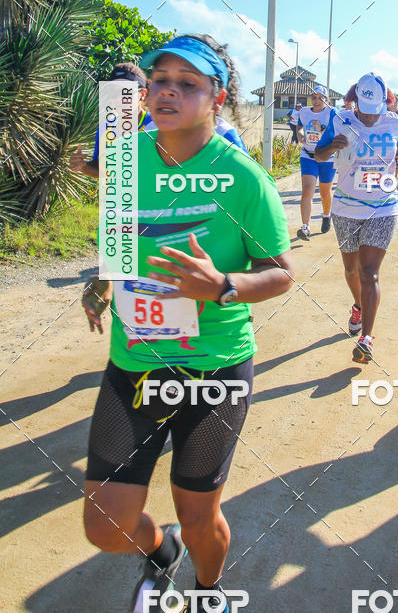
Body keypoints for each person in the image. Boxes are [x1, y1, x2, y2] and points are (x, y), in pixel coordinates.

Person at [81, 34, 294, 612]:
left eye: (187, 83)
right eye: (159, 80)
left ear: (216, 98)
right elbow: (122, 242)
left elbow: (280, 273)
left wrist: (222, 286)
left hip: (213, 369)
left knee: (197, 512)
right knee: (104, 525)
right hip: (135, 364)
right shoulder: (125, 161)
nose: (167, 91)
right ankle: (160, 553)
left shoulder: (242, 178)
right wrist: (102, 285)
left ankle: (207, 590)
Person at [314, 73, 398, 361]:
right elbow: (318, 154)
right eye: (364, 113)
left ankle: (367, 337)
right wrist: (333, 146)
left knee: (369, 272)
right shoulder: (340, 120)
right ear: (355, 102)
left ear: (385, 103)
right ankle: (358, 305)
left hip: (383, 206)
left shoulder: (394, 122)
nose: (369, 119)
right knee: (351, 270)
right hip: (345, 207)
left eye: (375, 112)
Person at [70, 62, 156, 178]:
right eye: (113, 92)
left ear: (142, 94)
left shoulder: (157, 127)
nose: (119, 98)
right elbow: (101, 170)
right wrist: (83, 166)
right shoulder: (104, 127)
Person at [296, 86, 335, 239]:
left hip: (327, 157)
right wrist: (300, 135)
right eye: (314, 97)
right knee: (307, 189)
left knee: (325, 193)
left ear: (326, 99)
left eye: (321, 97)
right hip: (308, 156)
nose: (317, 100)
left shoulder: (332, 112)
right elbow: (299, 126)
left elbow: (337, 132)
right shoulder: (304, 112)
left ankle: (326, 215)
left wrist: (323, 127)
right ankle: (305, 227)